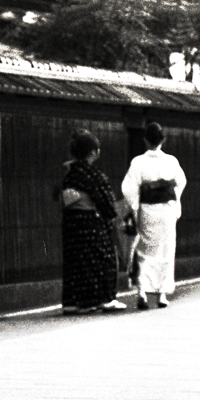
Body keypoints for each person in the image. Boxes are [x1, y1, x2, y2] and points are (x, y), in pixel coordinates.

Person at [60, 129, 127, 314]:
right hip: (90, 222)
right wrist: (112, 216)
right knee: (103, 258)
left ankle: (73, 301)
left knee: (75, 262)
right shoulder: (94, 175)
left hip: (71, 224)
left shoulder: (69, 175)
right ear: (93, 152)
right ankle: (105, 299)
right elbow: (107, 206)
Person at [121, 122, 187, 309]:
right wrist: (174, 204)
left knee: (144, 251)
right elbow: (180, 183)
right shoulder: (172, 161)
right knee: (166, 251)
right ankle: (162, 295)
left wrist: (135, 207)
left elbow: (128, 188)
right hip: (166, 211)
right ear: (163, 139)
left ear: (145, 140)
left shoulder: (138, 162)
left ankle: (141, 292)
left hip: (147, 211)